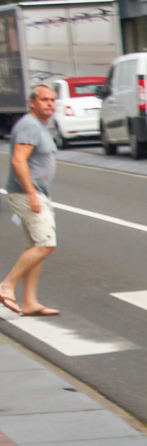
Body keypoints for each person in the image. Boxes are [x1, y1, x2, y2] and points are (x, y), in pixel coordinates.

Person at [1, 84, 60, 316]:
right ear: (32, 102)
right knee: (46, 244)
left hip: (34, 192)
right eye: (44, 99)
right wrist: (32, 194)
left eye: (52, 100)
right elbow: (18, 161)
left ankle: (29, 302)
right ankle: (7, 285)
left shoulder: (39, 126)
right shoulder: (29, 125)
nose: (49, 104)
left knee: (36, 246)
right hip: (28, 193)